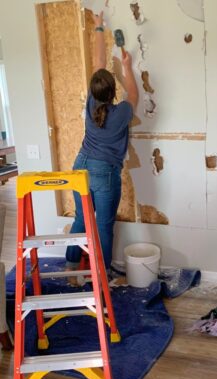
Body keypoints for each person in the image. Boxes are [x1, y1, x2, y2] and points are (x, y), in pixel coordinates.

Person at [65, 11, 138, 276]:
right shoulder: (121, 114)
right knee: (104, 224)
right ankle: (103, 274)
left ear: (95, 90)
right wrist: (127, 67)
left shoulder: (91, 102)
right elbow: (132, 92)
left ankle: (72, 268)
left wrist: (98, 27)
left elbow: (97, 62)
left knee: (82, 219)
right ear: (111, 90)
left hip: (80, 165)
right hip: (103, 172)